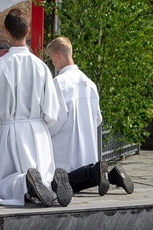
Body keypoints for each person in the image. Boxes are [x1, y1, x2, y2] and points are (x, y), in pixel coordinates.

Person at [0, 8, 72, 207]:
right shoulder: (41, 67)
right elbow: (51, 110)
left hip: (10, 132)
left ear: (6, 31)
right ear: (28, 31)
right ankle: (49, 184)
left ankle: (25, 182)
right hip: (36, 132)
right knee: (41, 175)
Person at [46, 37, 134, 196]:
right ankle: (112, 175)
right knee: (82, 176)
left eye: (52, 59)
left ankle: (96, 171)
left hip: (66, 148)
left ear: (58, 56)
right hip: (87, 147)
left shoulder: (59, 83)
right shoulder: (89, 83)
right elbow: (97, 119)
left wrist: (45, 133)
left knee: (59, 183)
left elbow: (56, 119)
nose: (52, 63)